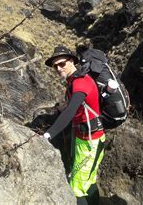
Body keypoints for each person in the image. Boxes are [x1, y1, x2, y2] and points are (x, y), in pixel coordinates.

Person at [43, 45, 106, 205]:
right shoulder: (74, 80)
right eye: (55, 66)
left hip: (90, 142)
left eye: (62, 64)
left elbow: (71, 110)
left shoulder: (80, 82)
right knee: (89, 181)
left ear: (72, 61)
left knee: (75, 188)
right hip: (85, 138)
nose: (58, 68)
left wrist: (49, 134)